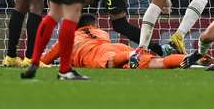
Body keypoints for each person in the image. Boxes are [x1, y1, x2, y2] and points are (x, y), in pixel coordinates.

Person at [41, 14, 186, 69]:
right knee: (156, 62)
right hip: (117, 47)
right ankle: (189, 58)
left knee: (110, 62)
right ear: (94, 25)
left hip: (98, 53)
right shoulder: (101, 32)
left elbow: (44, 61)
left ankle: (131, 56)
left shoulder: (69, 37)